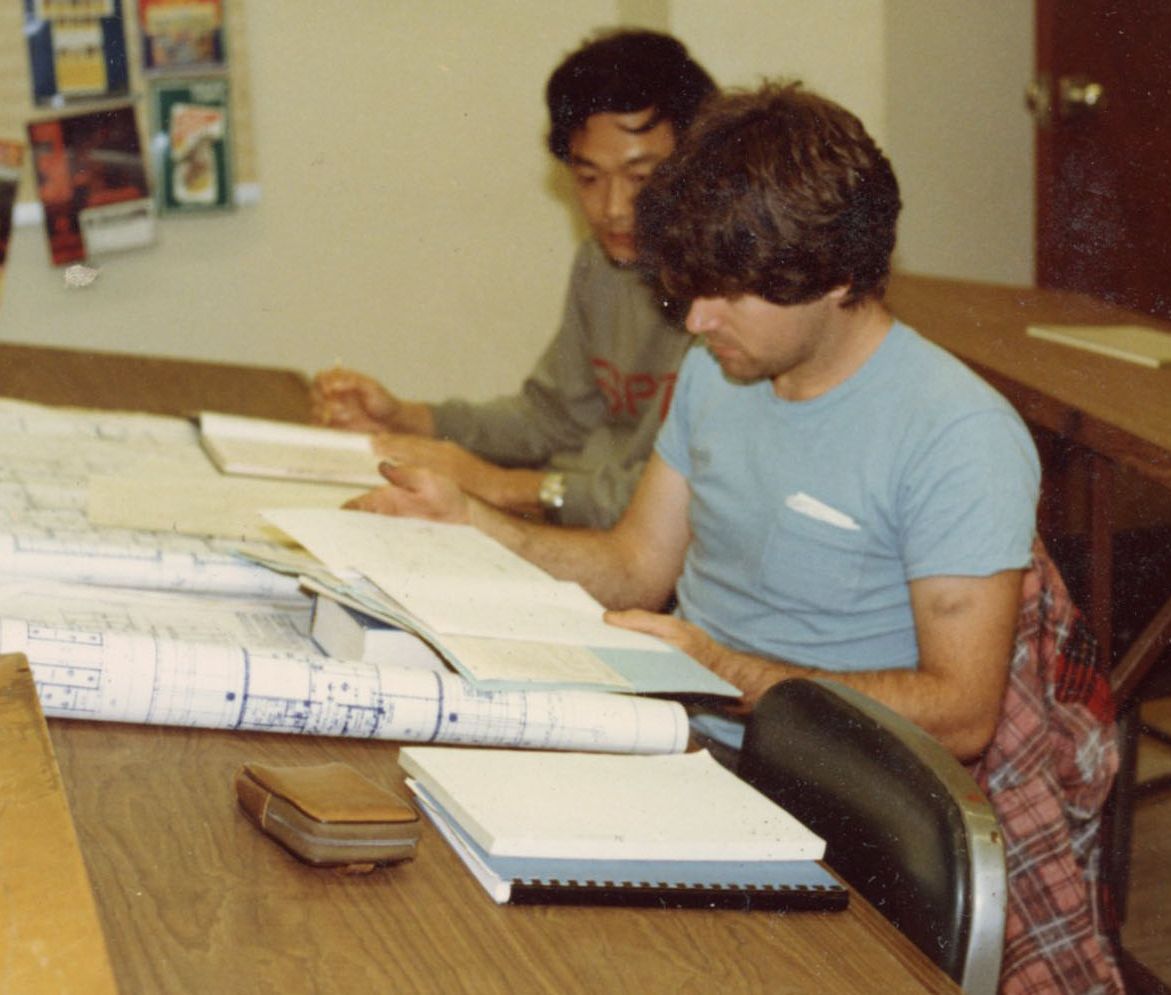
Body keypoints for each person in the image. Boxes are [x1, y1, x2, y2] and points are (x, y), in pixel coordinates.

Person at [350, 81, 1125, 994]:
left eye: (728, 293)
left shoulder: (955, 431)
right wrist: (477, 524)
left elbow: (962, 710)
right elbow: (638, 565)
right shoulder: (720, 372)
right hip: (706, 753)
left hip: (842, 795)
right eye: (692, 290)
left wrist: (728, 672)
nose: (697, 319)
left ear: (836, 275)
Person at [313, 29, 715, 528]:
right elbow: (551, 418)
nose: (614, 209)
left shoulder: (729, 300)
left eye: (641, 179)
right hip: (573, 524)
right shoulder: (600, 266)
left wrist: (503, 486)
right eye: (589, 178)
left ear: (696, 167)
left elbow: (689, 495)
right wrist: (407, 418)